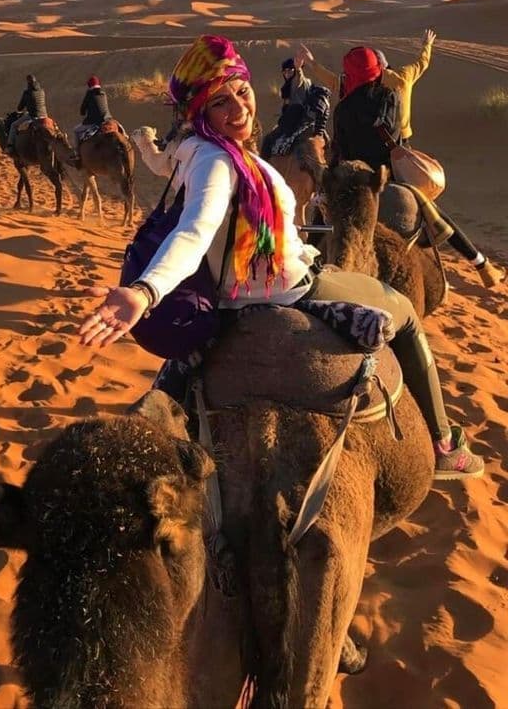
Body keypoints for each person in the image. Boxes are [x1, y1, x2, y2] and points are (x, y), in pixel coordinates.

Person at [79, 34, 483, 480]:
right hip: (288, 287)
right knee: (405, 313)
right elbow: (196, 229)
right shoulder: (218, 162)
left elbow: (171, 181)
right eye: (220, 102)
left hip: (231, 295)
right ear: (200, 111)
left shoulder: (189, 149)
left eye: (242, 91)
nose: (239, 108)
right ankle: (444, 443)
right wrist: (145, 292)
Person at [333, 46, 504, 288]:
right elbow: (397, 138)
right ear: (376, 70)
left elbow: (342, 152)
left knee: (326, 214)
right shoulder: (389, 96)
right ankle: (480, 264)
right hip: (388, 175)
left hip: (357, 179)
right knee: (431, 211)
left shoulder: (342, 109)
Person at [299, 28, 436, 143]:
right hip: (400, 140)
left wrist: (312, 63)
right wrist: (427, 45)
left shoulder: (359, 81)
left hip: (367, 141)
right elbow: (422, 63)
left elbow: (334, 82)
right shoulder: (404, 76)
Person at [7, 74, 47, 152]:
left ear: (28, 82)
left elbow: (20, 108)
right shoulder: (42, 91)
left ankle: (10, 146)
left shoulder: (27, 93)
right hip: (44, 116)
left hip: (33, 116)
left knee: (13, 125)